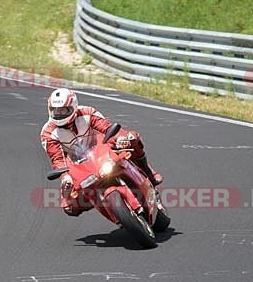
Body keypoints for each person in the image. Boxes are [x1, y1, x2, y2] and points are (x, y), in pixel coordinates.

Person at [40, 88, 162, 216]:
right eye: (55, 110)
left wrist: (120, 138)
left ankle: (148, 172)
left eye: (63, 110)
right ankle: (107, 207)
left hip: (101, 148)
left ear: (73, 106)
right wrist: (65, 177)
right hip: (76, 164)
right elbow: (57, 158)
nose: (59, 114)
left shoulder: (87, 113)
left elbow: (106, 127)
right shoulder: (47, 133)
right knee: (69, 206)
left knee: (132, 138)